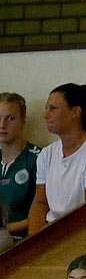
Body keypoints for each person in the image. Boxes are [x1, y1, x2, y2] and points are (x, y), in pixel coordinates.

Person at [28, 82, 86, 232]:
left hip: (77, 235)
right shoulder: (46, 154)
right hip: (49, 232)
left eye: (53, 109)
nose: (46, 115)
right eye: (46, 109)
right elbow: (40, 204)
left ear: (75, 112)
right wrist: (33, 241)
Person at [0, 92, 37, 238]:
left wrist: (7, 229)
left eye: (10, 118)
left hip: (22, 240)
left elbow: (45, 211)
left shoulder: (37, 158)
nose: (2, 125)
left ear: (23, 120)